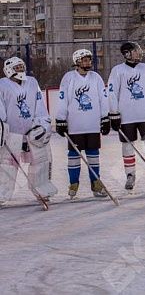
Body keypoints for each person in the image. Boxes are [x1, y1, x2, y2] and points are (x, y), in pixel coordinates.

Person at [107, 41, 145, 191]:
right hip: (126, 117)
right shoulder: (117, 70)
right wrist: (113, 113)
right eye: (136, 51)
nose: (139, 53)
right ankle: (130, 175)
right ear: (127, 54)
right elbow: (111, 93)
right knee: (128, 146)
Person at [0, 57, 56, 203]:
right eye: (17, 67)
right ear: (8, 69)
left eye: (21, 67)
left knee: (41, 160)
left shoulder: (32, 82)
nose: (21, 70)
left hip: (32, 131)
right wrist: (1, 129)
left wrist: (43, 125)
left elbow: (40, 106)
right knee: (7, 165)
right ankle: (2, 194)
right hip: (12, 133)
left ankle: (42, 191)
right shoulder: (2, 85)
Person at [55, 49, 110, 197]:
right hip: (75, 125)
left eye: (89, 60)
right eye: (85, 60)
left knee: (93, 154)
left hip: (92, 124)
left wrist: (105, 117)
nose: (88, 62)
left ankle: (96, 184)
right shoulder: (68, 78)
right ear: (77, 62)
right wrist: (61, 118)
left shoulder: (96, 77)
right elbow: (62, 99)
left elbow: (103, 98)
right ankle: (74, 184)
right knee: (73, 155)